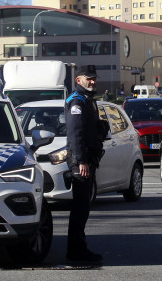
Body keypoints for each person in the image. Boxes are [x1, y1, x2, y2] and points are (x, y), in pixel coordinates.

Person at [65, 65, 108, 264]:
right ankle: (76, 252)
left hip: (89, 159)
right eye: (88, 78)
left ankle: (79, 249)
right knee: (80, 208)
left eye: (94, 78)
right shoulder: (77, 101)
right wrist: (81, 160)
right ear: (78, 80)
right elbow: (75, 134)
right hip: (81, 162)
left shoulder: (88, 100)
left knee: (84, 208)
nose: (92, 81)